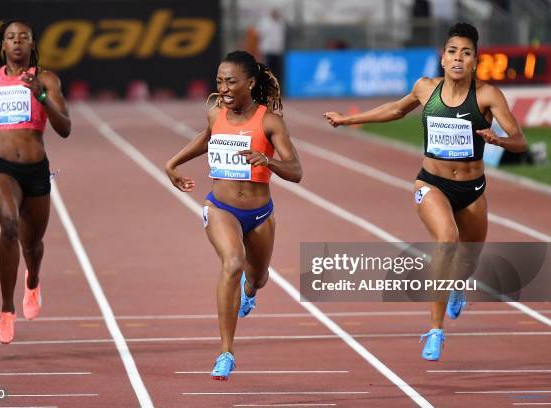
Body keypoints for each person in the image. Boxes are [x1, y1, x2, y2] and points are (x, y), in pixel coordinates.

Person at [324, 22, 526, 361]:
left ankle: (458, 285)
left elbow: (519, 140)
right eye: (452, 52)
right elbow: (395, 109)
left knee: (469, 257)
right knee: (446, 241)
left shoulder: (488, 95)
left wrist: (499, 140)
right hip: (432, 183)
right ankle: (435, 330)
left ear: (475, 61)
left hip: (472, 189)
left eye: (466, 53)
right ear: (443, 59)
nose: (458, 58)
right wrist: (348, 120)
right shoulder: (425, 89)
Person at [165, 50, 302, 380]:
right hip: (221, 208)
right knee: (232, 263)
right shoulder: (216, 113)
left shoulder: (269, 121)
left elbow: (296, 171)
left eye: (230, 82)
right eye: (219, 82)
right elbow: (207, 136)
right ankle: (226, 351)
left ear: (250, 83)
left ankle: (250, 292)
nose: (223, 88)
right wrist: (173, 163)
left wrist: (267, 161)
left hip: (259, 214)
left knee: (258, 277)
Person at [0, 19, 71, 344]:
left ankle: (32, 281)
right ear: (3, 45)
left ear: (32, 45)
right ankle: (7, 311)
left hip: (36, 171)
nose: (17, 42)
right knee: (8, 225)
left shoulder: (46, 79)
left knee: (32, 245)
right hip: (2, 167)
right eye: (11, 37)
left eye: (24, 37)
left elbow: (65, 128)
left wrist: (44, 96)